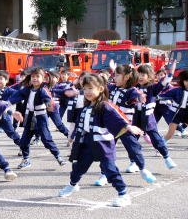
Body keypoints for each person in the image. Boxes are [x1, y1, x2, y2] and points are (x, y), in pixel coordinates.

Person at [58, 74, 143, 207]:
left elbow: (117, 116)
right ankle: (72, 185)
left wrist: (128, 126)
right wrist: (73, 136)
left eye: (91, 88)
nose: (87, 92)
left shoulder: (105, 105)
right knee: (78, 167)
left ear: (101, 89)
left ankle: (123, 194)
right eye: (85, 89)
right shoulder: (86, 108)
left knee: (110, 170)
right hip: (87, 144)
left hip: (103, 144)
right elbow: (81, 125)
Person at [94, 64, 155, 186]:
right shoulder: (111, 87)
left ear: (127, 77)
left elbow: (137, 95)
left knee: (134, 147)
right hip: (110, 125)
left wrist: (139, 98)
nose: (114, 78)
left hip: (125, 126)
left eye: (117, 75)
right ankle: (104, 175)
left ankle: (143, 169)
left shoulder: (132, 91)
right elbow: (100, 87)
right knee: (106, 151)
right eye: (114, 75)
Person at [8, 67, 66, 169]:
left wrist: (51, 108)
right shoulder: (27, 89)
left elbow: (49, 101)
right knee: (24, 140)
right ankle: (26, 160)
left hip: (41, 117)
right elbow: (16, 96)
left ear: (43, 78)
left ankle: (58, 156)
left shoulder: (43, 90)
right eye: (33, 76)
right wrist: (6, 104)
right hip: (30, 116)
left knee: (46, 139)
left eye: (37, 76)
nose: (34, 79)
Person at [133, 63, 177, 169]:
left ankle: (167, 158)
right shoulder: (134, 88)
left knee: (157, 140)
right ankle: (133, 163)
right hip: (136, 119)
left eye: (143, 75)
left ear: (150, 76)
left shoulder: (153, 88)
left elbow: (164, 83)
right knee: (132, 142)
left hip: (148, 119)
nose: (140, 77)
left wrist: (170, 73)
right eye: (139, 74)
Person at [0, 70, 21, 148]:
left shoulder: (9, 90)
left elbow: (19, 95)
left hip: (5, 116)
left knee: (11, 133)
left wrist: (9, 102)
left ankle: (23, 146)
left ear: (6, 80)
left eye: (1, 79)